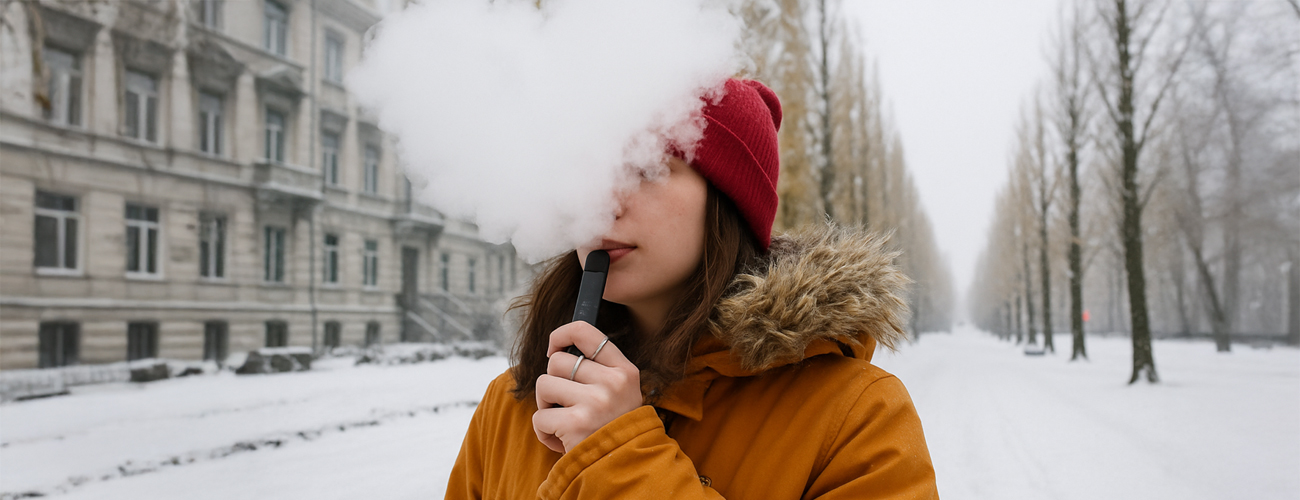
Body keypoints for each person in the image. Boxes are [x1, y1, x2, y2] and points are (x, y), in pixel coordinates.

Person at [446, 79, 938, 499]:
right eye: (590, 169)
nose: (602, 204)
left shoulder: (855, 415)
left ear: (727, 203)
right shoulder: (510, 405)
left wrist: (621, 456)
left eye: (649, 168)